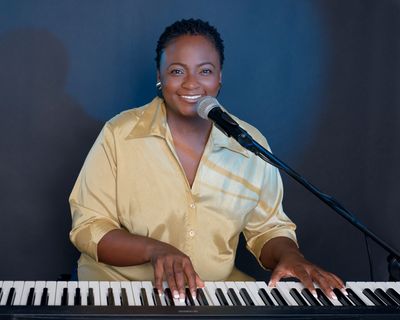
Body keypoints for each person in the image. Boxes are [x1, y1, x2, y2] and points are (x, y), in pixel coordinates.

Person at [69, 18, 345, 303]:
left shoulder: (249, 142)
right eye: (177, 71)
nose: (191, 83)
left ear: (219, 77)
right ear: (159, 76)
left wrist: (291, 256)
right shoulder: (119, 134)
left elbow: (268, 228)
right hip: (120, 291)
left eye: (205, 71)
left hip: (211, 293)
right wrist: (156, 250)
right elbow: (89, 225)